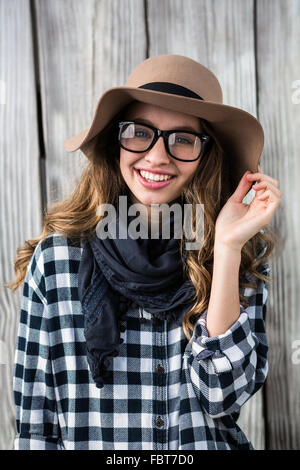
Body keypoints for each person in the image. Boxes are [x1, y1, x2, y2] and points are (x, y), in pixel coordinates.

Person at [7, 54, 282, 450]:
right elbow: (35, 427)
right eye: (139, 132)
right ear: (114, 141)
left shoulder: (238, 254)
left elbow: (223, 397)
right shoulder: (56, 261)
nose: (157, 156)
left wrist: (225, 249)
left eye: (183, 139)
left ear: (207, 155)